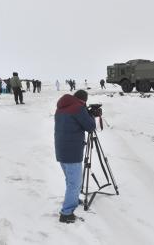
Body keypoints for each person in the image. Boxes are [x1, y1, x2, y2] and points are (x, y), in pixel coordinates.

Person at [54, 90, 96, 223]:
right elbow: (90, 126)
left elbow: (72, 123)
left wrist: (86, 113)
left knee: (71, 179)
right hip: (72, 151)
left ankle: (74, 198)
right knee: (75, 182)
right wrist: (92, 116)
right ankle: (66, 213)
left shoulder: (60, 108)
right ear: (83, 100)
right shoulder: (78, 108)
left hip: (61, 150)